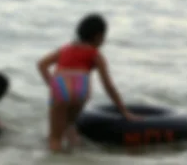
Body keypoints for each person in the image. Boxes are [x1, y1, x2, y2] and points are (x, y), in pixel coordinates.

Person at [37, 14, 138, 152]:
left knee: (55, 138)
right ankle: (77, 161)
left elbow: (41, 65)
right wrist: (124, 111)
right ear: (98, 36)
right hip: (81, 88)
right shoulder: (95, 54)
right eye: (104, 37)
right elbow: (108, 85)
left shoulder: (65, 49)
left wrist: (53, 86)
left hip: (60, 85)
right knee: (70, 125)